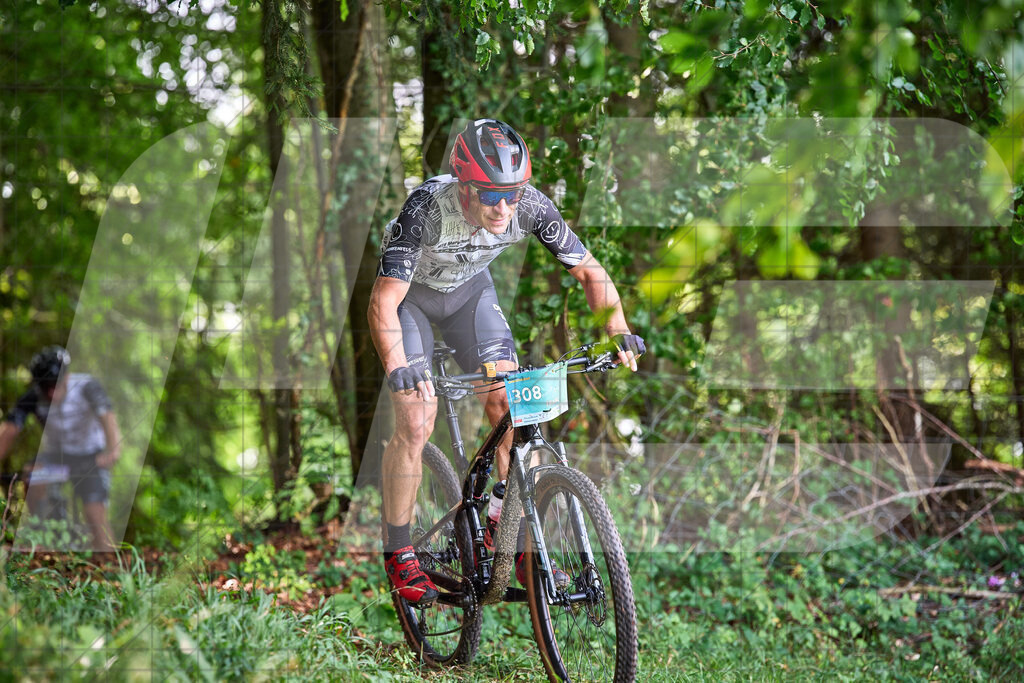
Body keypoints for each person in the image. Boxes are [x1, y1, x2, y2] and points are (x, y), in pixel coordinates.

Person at [367, 119, 646, 603]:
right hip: (410, 302)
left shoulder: (530, 204)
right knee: (416, 421)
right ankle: (399, 552)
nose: (503, 207)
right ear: (464, 186)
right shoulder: (427, 209)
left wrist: (617, 329)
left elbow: (588, 270)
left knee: (513, 406)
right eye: (490, 195)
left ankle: (511, 536)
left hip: (470, 299)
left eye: (512, 195)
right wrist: (398, 366)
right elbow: (383, 302)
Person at [0, 345, 121, 551]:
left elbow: (107, 417)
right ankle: (43, 532)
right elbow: (9, 430)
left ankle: (111, 564)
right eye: (46, 386)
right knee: (32, 474)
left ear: (67, 376)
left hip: (91, 458)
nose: (52, 392)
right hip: (58, 458)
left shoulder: (87, 387)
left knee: (95, 515)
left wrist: (112, 450)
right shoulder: (34, 397)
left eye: (56, 384)